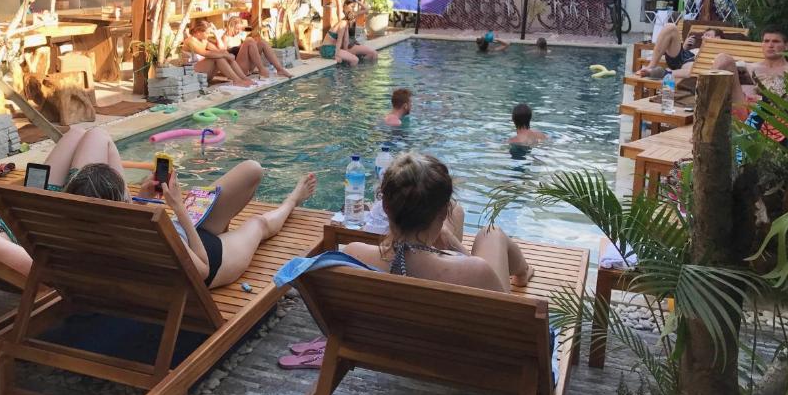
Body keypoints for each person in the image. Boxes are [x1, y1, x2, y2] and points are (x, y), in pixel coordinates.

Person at [343, 153, 533, 292]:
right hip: (455, 343)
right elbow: (504, 315)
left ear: (384, 206)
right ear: (442, 213)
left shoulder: (353, 256)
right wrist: (455, 247)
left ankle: (523, 271)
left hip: (385, 341)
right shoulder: (476, 273)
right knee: (491, 234)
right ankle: (523, 272)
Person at [137, 162, 318, 288]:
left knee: (251, 170)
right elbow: (202, 270)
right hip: (212, 260)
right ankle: (292, 200)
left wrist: (141, 199)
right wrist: (178, 207)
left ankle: (223, 228)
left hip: (185, 231)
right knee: (257, 223)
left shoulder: (117, 219)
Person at [711, 27, 788, 118]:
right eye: (766, 41)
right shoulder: (749, 67)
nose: (770, 45)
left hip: (779, 118)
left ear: (786, 46)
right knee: (723, 58)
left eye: (776, 41)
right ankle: (703, 104)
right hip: (745, 114)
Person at [43, 125, 128, 193]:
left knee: (80, 132)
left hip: (38, 199)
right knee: (97, 133)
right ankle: (124, 195)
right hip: (84, 198)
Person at [184, 19, 255, 87]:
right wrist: (225, 55)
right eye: (207, 33)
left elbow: (221, 49)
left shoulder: (204, 40)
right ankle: (237, 80)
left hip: (204, 74)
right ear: (198, 32)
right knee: (218, 57)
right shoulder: (190, 41)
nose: (208, 35)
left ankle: (244, 78)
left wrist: (217, 35)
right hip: (192, 74)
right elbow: (205, 53)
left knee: (222, 54)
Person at [221, 17, 293, 79]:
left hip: (246, 67)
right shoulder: (225, 38)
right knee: (249, 40)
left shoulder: (239, 36)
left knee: (262, 42)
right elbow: (223, 55)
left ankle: (280, 69)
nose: (239, 31)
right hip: (237, 69)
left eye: (240, 29)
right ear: (231, 27)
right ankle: (261, 69)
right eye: (237, 29)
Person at [636, 23, 719, 78]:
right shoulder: (697, 49)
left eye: (707, 35)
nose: (703, 37)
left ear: (718, 38)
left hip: (692, 65)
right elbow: (683, 53)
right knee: (670, 27)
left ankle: (664, 73)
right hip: (683, 56)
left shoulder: (721, 54)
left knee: (696, 68)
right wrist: (684, 46)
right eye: (703, 35)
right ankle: (651, 66)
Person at [319, 0, 378, 65]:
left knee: (358, 58)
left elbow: (345, 40)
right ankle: (353, 72)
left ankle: (361, 67)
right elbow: (340, 40)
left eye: (354, 7)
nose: (353, 10)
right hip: (328, 49)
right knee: (356, 59)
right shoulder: (343, 22)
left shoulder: (348, 20)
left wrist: (357, 0)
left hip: (336, 47)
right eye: (352, 7)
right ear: (345, 6)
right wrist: (336, 55)